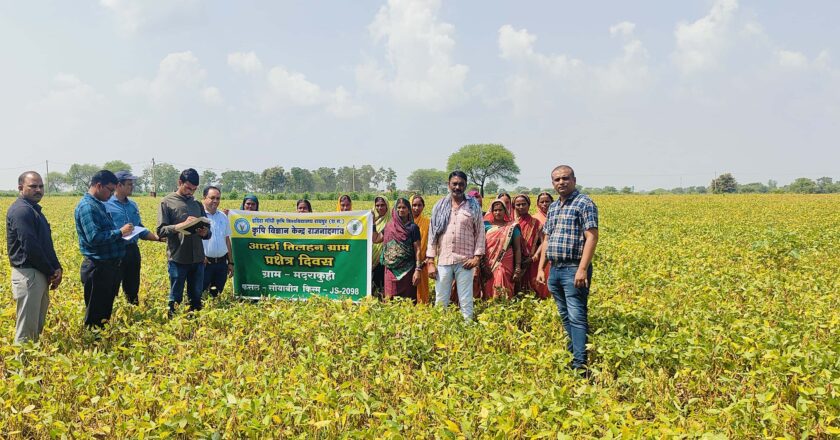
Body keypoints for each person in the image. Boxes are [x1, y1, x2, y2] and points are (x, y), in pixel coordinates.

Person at [537, 165, 599, 374]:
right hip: (555, 269)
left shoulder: (584, 203)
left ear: (574, 179)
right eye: (557, 180)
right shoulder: (554, 207)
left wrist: (582, 269)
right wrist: (540, 268)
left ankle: (580, 365)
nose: (561, 182)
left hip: (574, 267)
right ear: (552, 183)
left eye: (565, 178)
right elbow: (547, 239)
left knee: (577, 315)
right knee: (565, 315)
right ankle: (574, 355)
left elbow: (591, 236)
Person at [7, 171, 62, 343]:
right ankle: (21, 367)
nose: (38, 189)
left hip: (38, 272)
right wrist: (51, 270)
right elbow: (30, 247)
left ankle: (31, 365)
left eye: (40, 186)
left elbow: (45, 244)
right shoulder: (21, 211)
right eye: (33, 186)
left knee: (35, 326)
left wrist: (57, 267)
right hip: (29, 274)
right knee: (27, 331)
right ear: (20, 187)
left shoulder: (33, 210)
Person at [75, 170, 133, 328]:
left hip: (108, 267)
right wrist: (119, 232)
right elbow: (93, 238)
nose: (111, 194)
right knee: (96, 315)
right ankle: (94, 345)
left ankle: (102, 343)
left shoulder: (98, 204)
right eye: (110, 190)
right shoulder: (88, 207)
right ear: (99, 185)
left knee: (104, 313)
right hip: (97, 268)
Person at [426, 171, 485, 321]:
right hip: (444, 260)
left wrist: (477, 258)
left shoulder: (473, 206)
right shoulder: (439, 206)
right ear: (449, 184)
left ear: (465, 185)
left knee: (466, 299)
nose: (457, 187)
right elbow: (432, 234)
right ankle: (440, 329)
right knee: (441, 298)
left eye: (461, 184)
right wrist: (430, 262)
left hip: (465, 260)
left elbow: (480, 233)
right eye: (454, 184)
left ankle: (468, 328)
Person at [157, 168, 212, 317]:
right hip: (178, 258)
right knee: (176, 297)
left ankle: (193, 325)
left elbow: (207, 232)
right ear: (179, 182)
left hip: (198, 258)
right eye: (188, 188)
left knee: (196, 296)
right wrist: (179, 226)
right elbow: (161, 231)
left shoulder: (197, 204)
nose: (191, 192)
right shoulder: (166, 202)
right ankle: (173, 324)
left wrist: (205, 232)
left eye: (194, 189)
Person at [105, 171, 161, 306]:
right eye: (129, 184)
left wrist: (157, 238)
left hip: (132, 251)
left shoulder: (132, 205)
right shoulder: (106, 205)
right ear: (118, 185)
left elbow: (139, 228)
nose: (132, 187)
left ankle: (132, 312)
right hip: (114, 251)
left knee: (132, 286)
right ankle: (109, 317)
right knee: (111, 287)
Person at [374, 198, 422, 302]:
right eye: (398, 207)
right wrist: (373, 223)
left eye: (404, 207)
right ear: (395, 210)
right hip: (390, 271)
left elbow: (418, 249)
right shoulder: (389, 226)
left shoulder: (413, 228)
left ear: (408, 209)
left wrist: (418, 270)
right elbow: (376, 239)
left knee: (408, 301)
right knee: (390, 299)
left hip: (408, 271)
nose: (401, 210)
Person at [482, 199, 522, 299]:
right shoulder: (485, 225)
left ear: (505, 211)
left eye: (500, 210)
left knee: (503, 283)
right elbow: (480, 246)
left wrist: (517, 268)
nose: (498, 212)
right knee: (488, 286)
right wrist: (482, 266)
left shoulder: (512, 227)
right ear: (491, 211)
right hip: (489, 263)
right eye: (495, 210)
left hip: (505, 262)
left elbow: (517, 249)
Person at [201, 186, 232, 298]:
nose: (215, 201)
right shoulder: (198, 217)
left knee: (217, 293)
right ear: (204, 198)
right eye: (212, 197)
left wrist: (230, 262)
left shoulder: (223, 217)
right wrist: (200, 256)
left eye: (218, 198)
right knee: (200, 294)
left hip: (221, 264)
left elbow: (227, 240)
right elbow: (193, 241)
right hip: (204, 264)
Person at [513, 194, 545, 298]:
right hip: (515, 261)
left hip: (531, 261)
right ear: (514, 206)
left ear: (529, 205)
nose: (521, 207)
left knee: (532, 289)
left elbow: (543, 242)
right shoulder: (512, 223)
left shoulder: (536, 223)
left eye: (524, 204)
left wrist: (534, 256)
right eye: (518, 204)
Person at [410, 194, 433, 304]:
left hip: (422, 263)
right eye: (414, 205)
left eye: (419, 205)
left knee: (422, 292)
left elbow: (432, 243)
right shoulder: (405, 223)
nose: (416, 208)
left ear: (423, 206)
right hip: (406, 264)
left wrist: (425, 260)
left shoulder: (428, 223)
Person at [531, 192, 554, 299]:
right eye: (542, 202)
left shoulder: (556, 216)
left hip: (553, 253)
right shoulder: (535, 218)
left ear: (552, 202)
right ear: (538, 204)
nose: (545, 204)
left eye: (547, 201)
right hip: (537, 255)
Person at [370, 196, 390, 296]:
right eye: (377, 205)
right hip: (370, 259)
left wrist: (373, 222)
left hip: (383, 261)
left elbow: (376, 239)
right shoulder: (369, 220)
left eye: (382, 205)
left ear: (387, 206)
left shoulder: (390, 221)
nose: (380, 208)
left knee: (381, 288)